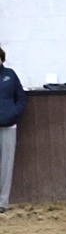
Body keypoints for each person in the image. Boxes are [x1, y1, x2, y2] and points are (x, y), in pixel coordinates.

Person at [0, 45, 26, 213]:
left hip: (9, 125)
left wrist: (14, 113)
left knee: (6, 164)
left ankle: (2, 202)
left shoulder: (10, 75)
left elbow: (21, 96)